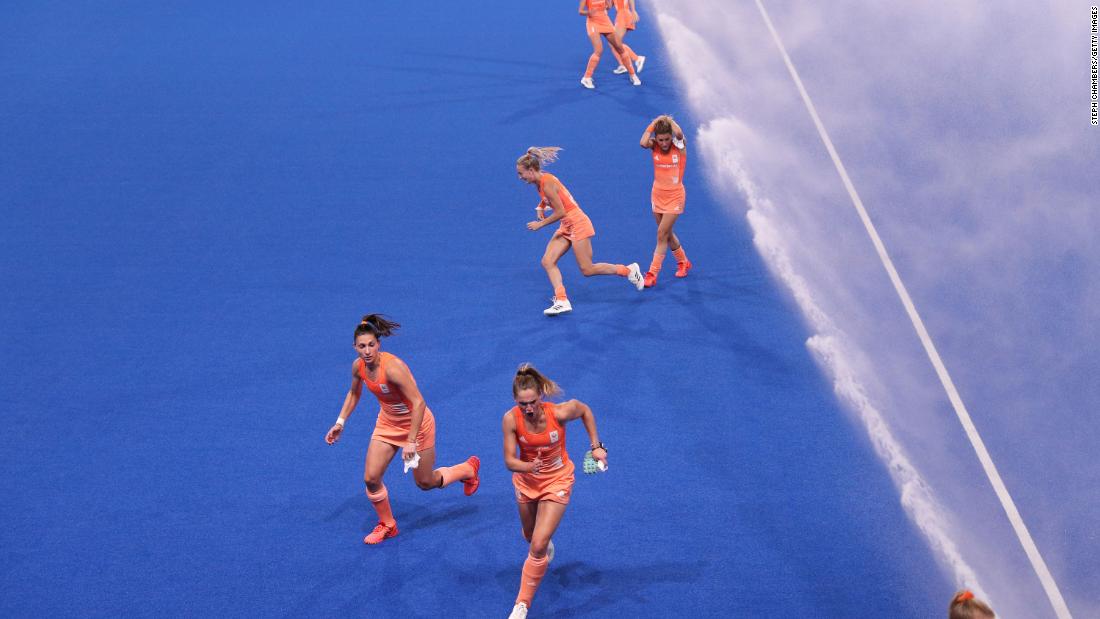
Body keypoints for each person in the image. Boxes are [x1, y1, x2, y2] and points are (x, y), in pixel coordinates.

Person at [324, 314, 480, 545]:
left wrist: (411, 440)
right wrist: (340, 422)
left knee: (425, 483)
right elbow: (354, 392)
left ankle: (467, 470)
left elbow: (418, 403)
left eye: (371, 345)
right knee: (371, 478)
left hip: (418, 425)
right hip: (387, 423)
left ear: (379, 344)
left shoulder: (393, 368)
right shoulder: (358, 367)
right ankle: (388, 525)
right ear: (354, 347)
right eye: (361, 346)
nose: (367, 351)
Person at [502, 364, 609, 619]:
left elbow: (584, 410)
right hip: (527, 482)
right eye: (522, 404)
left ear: (541, 396)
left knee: (537, 546)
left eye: (532, 402)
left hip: (558, 481)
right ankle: (542, 544)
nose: (528, 408)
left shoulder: (559, 412)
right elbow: (509, 461)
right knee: (530, 535)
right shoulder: (510, 419)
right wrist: (529, 466)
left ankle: (521, 605)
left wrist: (596, 446)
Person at [516, 146, 644, 315]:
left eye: (521, 173)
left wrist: (540, 224)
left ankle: (628, 270)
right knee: (547, 261)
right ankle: (562, 300)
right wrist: (541, 206)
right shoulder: (540, 183)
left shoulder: (546, 183)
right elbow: (552, 198)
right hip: (567, 224)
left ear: (531, 170)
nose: (520, 177)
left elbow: (561, 211)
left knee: (587, 269)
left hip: (577, 223)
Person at [639, 115, 692, 288]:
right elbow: (642, 142)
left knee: (661, 234)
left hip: (675, 197)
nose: (663, 143)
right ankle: (683, 261)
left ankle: (652, 273)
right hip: (657, 195)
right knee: (666, 233)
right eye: (660, 139)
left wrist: (667, 120)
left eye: (666, 139)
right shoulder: (653, 145)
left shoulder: (679, 146)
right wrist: (654, 123)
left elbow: (678, 133)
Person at [578, 0, 640, 88]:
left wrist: (608, 4)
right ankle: (586, 78)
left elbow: (608, 7)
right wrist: (588, 12)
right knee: (598, 50)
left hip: (606, 22)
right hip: (593, 23)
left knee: (619, 47)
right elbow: (580, 11)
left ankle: (633, 75)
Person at [610, 0, 645, 76]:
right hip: (620, 16)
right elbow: (609, 6)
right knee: (612, 43)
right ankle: (623, 65)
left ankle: (637, 59)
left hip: (624, 15)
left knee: (615, 42)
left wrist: (633, 11)